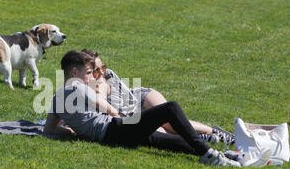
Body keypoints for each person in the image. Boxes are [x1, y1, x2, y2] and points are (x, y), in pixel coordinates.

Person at [43, 50, 269, 167]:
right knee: (169, 109)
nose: (91, 76)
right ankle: (210, 155)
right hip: (114, 129)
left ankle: (232, 157)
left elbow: (50, 130)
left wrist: (75, 131)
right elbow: (110, 111)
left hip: (111, 136)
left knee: (168, 142)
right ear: (74, 73)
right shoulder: (78, 88)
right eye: (87, 72)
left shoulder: (56, 98)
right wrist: (131, 118)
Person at [81, 49, 235, 145]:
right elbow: (101, 101)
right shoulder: (92, 87)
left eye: (103, 67)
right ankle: (203, 137)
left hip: (140, 97)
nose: (101, 72)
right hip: (132, 114)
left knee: (169, 122)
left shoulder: (106, 74)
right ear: (87, 71)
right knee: (160, 128)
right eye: (95, 70)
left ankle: (214, 132)